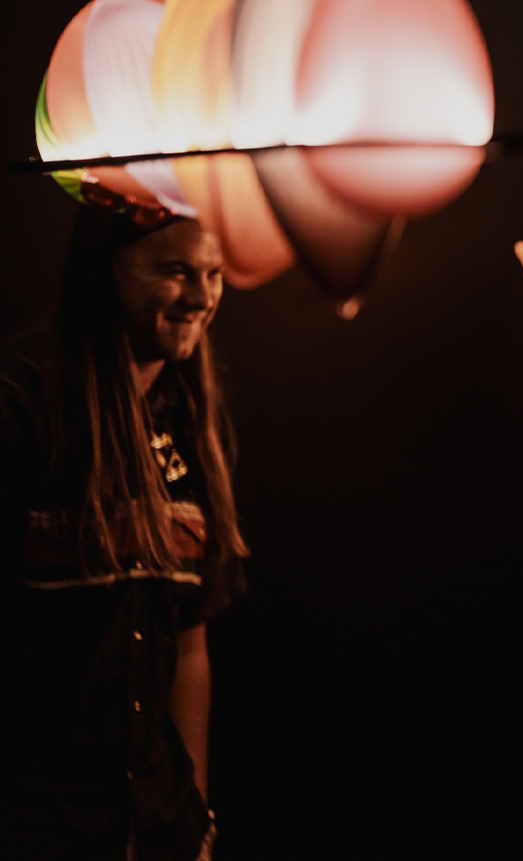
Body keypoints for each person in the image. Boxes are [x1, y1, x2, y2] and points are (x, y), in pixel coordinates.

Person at [0, 206, 247, 860]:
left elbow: (190, 646)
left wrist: (194, 820)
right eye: (176, 270)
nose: (202, 297)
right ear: (103, 267)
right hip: (31, 824)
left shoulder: (197, 427)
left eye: (215, 273)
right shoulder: (18, 409)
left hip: (153, 828)